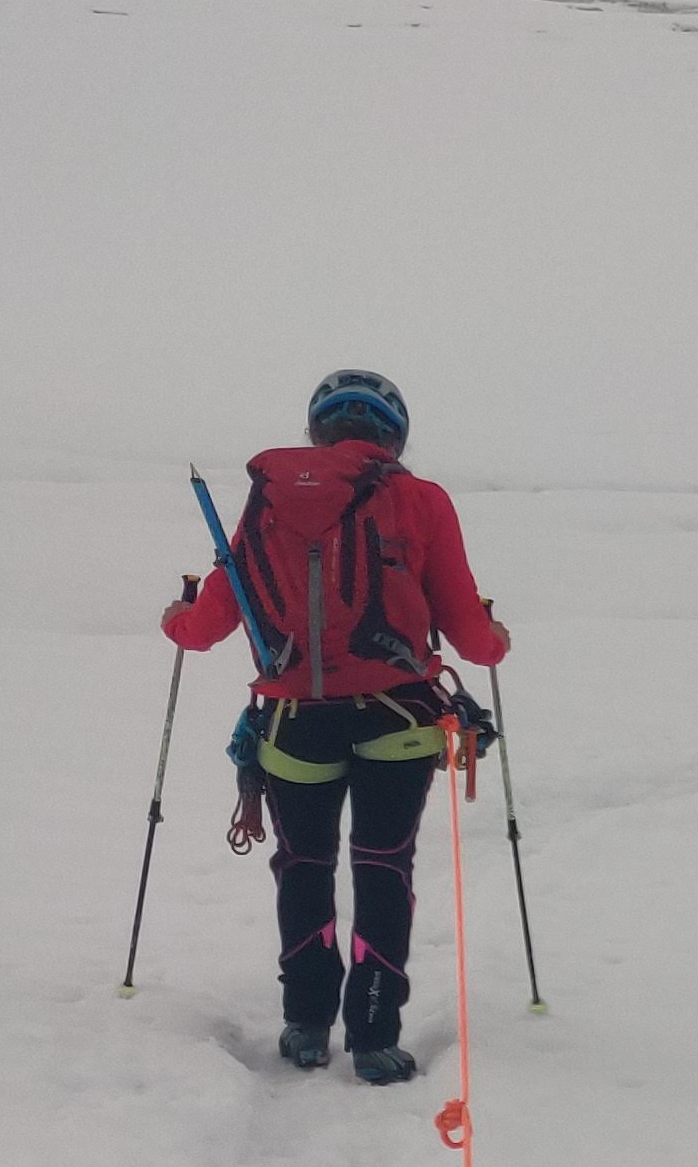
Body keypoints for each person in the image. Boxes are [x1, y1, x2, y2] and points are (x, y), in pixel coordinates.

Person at [163, 370, 510, 1081]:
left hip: (293, 724)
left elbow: (202, 629)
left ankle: (306, 1025)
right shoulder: (420, 500)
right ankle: (376, 1037)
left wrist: (177, 615)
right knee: (384, 868)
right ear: (394, 434)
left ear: (317, 431)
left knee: (305, 866)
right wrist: (497, 638)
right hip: (400, 719)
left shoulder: (267, 502)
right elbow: (474, 639)